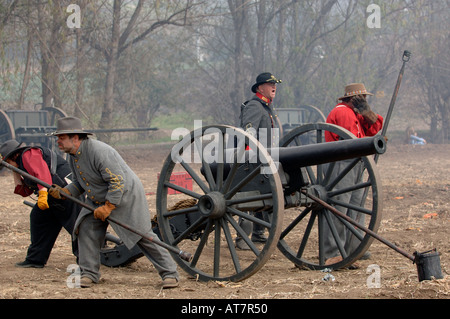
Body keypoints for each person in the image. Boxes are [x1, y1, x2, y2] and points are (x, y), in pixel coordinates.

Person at [48, 117, 179, 288]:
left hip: (125, 196)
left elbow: (117, 181)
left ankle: (170, 274)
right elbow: (81, 182)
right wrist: (65, 192)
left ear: (75, 138)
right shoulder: (73, 156)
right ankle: (89, 273)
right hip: (98, 198)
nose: (58, 141)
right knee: (86, 228)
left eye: (61, 137)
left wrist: (109, 207)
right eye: (58, 138)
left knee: (141, 235)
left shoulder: (99, 151)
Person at [323, 83, 384, 266]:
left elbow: (374, 129)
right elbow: (351, 140)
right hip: (341, 164)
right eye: (363, 98)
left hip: (356, 163)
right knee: (340, 209)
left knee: (356, 207)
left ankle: (353, 249)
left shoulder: (356, 113)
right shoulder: (342, 112)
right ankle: (333, 253)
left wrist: (368, 113)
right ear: (353, 99)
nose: (365, 100)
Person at [0, 139, 79, 268]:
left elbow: (41, 173)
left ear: (14, 155)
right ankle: (35, 259)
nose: (7, 166)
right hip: (51, 194)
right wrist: (15, 170)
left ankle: (88, 260)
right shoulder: (21, 165)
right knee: (39, 218)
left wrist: (42, 194)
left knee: (77, 227)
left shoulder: (29, 154)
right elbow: (24, 191)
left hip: (66, 192)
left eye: (8, 162)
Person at [236, 72, 282, 250]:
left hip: (267, 158)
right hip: (253, 159)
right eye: (270, 84)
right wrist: (250, 158)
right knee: (249, 198)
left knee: (266, 195)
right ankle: (242, 238)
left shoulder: (267, 107)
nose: (274, 87)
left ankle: (258, 234)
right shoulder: (255, 106)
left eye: (275, 84)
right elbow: (248, 133)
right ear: (260, 88)